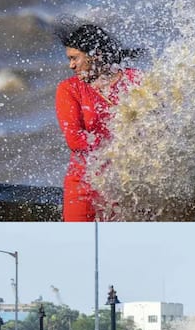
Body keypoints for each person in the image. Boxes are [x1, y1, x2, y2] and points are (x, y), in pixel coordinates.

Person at [55, 23, 142, 221]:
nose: (71, 65)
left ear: (96, 54)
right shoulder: (69, 89)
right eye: (70, 59)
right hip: (85, 184)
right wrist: (122, 147)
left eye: (74, 58)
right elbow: (75, 139)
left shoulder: (135, 81)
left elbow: (155, 126)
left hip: (131, 184)